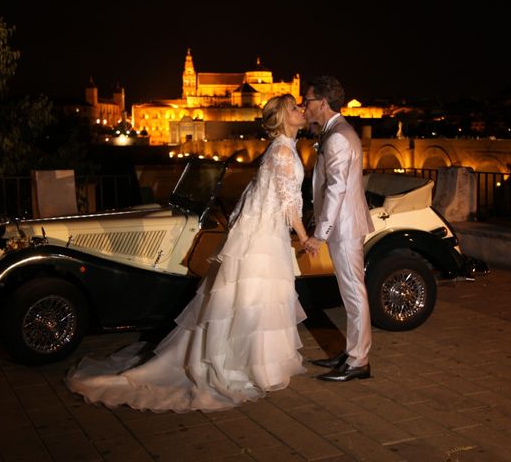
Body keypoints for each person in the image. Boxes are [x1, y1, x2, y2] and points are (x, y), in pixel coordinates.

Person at [65, 94, 310, 412]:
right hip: (264, 238)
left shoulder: (281, 149)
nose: (300, 110)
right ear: (280, 117)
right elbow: (288, 203)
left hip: (266, 234)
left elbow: (261, 196)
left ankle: (257, 363)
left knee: (257, 300)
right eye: (293, 108)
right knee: (256, 300)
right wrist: (305, 236)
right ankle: (250, 366)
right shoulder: (281, 151)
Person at [302, 76, 375, 382]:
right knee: (350, 293)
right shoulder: (337, 133)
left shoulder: (338, 138)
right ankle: (352, 352)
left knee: (354, 294)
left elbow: (336, 189)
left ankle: (358, 361)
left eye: (307, 101)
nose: (304, 106)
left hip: (343, 229)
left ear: (322, 102)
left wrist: (319, 234)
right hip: (343, 226)